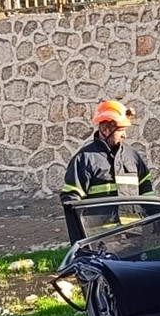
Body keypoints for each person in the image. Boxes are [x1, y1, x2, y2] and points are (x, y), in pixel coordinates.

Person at [60, 100, 154, 243]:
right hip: (101, 240)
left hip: (133, 237)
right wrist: (81, 241)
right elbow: (71, 200)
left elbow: (146, 189)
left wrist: (156, 219)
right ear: (105, 129)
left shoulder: (132, 156)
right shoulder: (85, 159)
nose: (125, 135)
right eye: (120, 130)